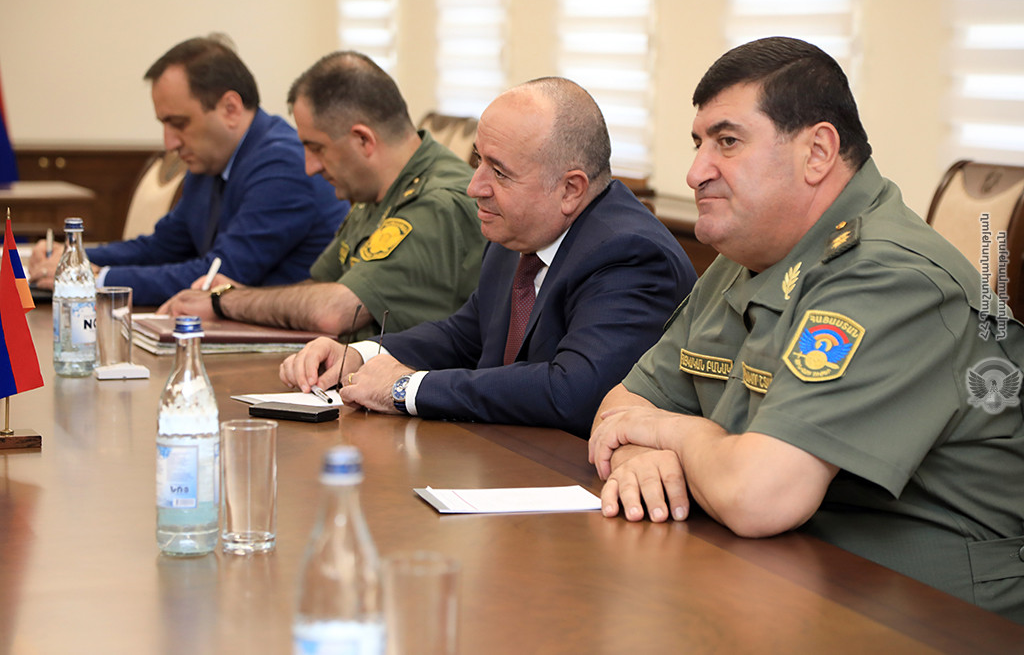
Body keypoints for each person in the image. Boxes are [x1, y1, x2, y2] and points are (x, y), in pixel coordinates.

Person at [588, 37, 1024, 623]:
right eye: (698, 143)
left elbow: (758, 496)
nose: (695, 173)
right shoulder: (746, 256)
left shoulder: (891, 279)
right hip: (777, 580)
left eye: (727, 142)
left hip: (930, 616)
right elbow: (620, 409)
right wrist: (642, 455)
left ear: (817, 152)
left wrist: (668, 432)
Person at [280, 77, 697, 437]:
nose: (474, 187)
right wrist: (362, 355)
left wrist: (407, 389)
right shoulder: (514, 233)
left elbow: (573, 392)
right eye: (478, 160)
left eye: (499, 172)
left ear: (570, 189)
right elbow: (464, 336)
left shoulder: (630, 255)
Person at [158, 51, 485, 338]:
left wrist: (226, 301)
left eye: (316, 148)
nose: (310, 167)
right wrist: (239, 296)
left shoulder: (436, 203)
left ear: (363, 140)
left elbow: (334, 310)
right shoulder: (375, 195)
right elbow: (317, 288)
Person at [27, 35, 346, 307]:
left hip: (288, 346)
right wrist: (76, 256)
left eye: (179, 123)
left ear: (230, 109)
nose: (170, 143)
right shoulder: (212, 161)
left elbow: (216, 277)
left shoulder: (283, 166)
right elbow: (162, 247)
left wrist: (92, 278)